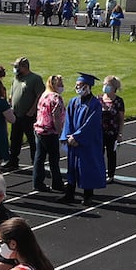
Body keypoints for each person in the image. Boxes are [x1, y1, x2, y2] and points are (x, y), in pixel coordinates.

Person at [59, 72, 106, 207]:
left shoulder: (95, 104)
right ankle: (69, 194)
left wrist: (77, 137)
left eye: (80, 85)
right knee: (72, 168)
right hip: (73, 142)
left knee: (87, 168)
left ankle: (88, 196)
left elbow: (91, 124)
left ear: (88, 86)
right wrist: (68, 136)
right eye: (77, 85)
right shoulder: (74, 101)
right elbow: (68, 121)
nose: (77, 87)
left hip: (88, 143)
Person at [33, 75, 67, 194]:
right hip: (50, 131)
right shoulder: (56, 98)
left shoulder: (44, 95)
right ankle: (57, 184)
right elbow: (56, 116)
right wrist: (60, 132)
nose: (62, 86)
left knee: (39, 157)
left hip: (39, 129)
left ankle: (37, 182)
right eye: (60, 84)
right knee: (54, 159)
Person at [6, 56, 40, 171]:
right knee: (14, 138)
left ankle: (35, 161)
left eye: (17, 67)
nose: (15, 69)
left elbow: (39, 96)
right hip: (16, 114)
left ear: (24, 67)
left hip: (28, 115)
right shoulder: (16, 78)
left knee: (32, 139)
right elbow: (12, 92)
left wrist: (32, 110)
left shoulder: (35, 79)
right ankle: (13, 160)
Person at [100, 75, 125, 184]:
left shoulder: (118, 101)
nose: (105, 87)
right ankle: (99, 172)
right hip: (99, 132)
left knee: (111, 154)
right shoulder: (99, 99)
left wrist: (119, 133)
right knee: (98, 154)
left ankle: (110, 175)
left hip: (112, 132)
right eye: (104, 84)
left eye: (107, 85)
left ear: (114, 87)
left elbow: (121, 119)